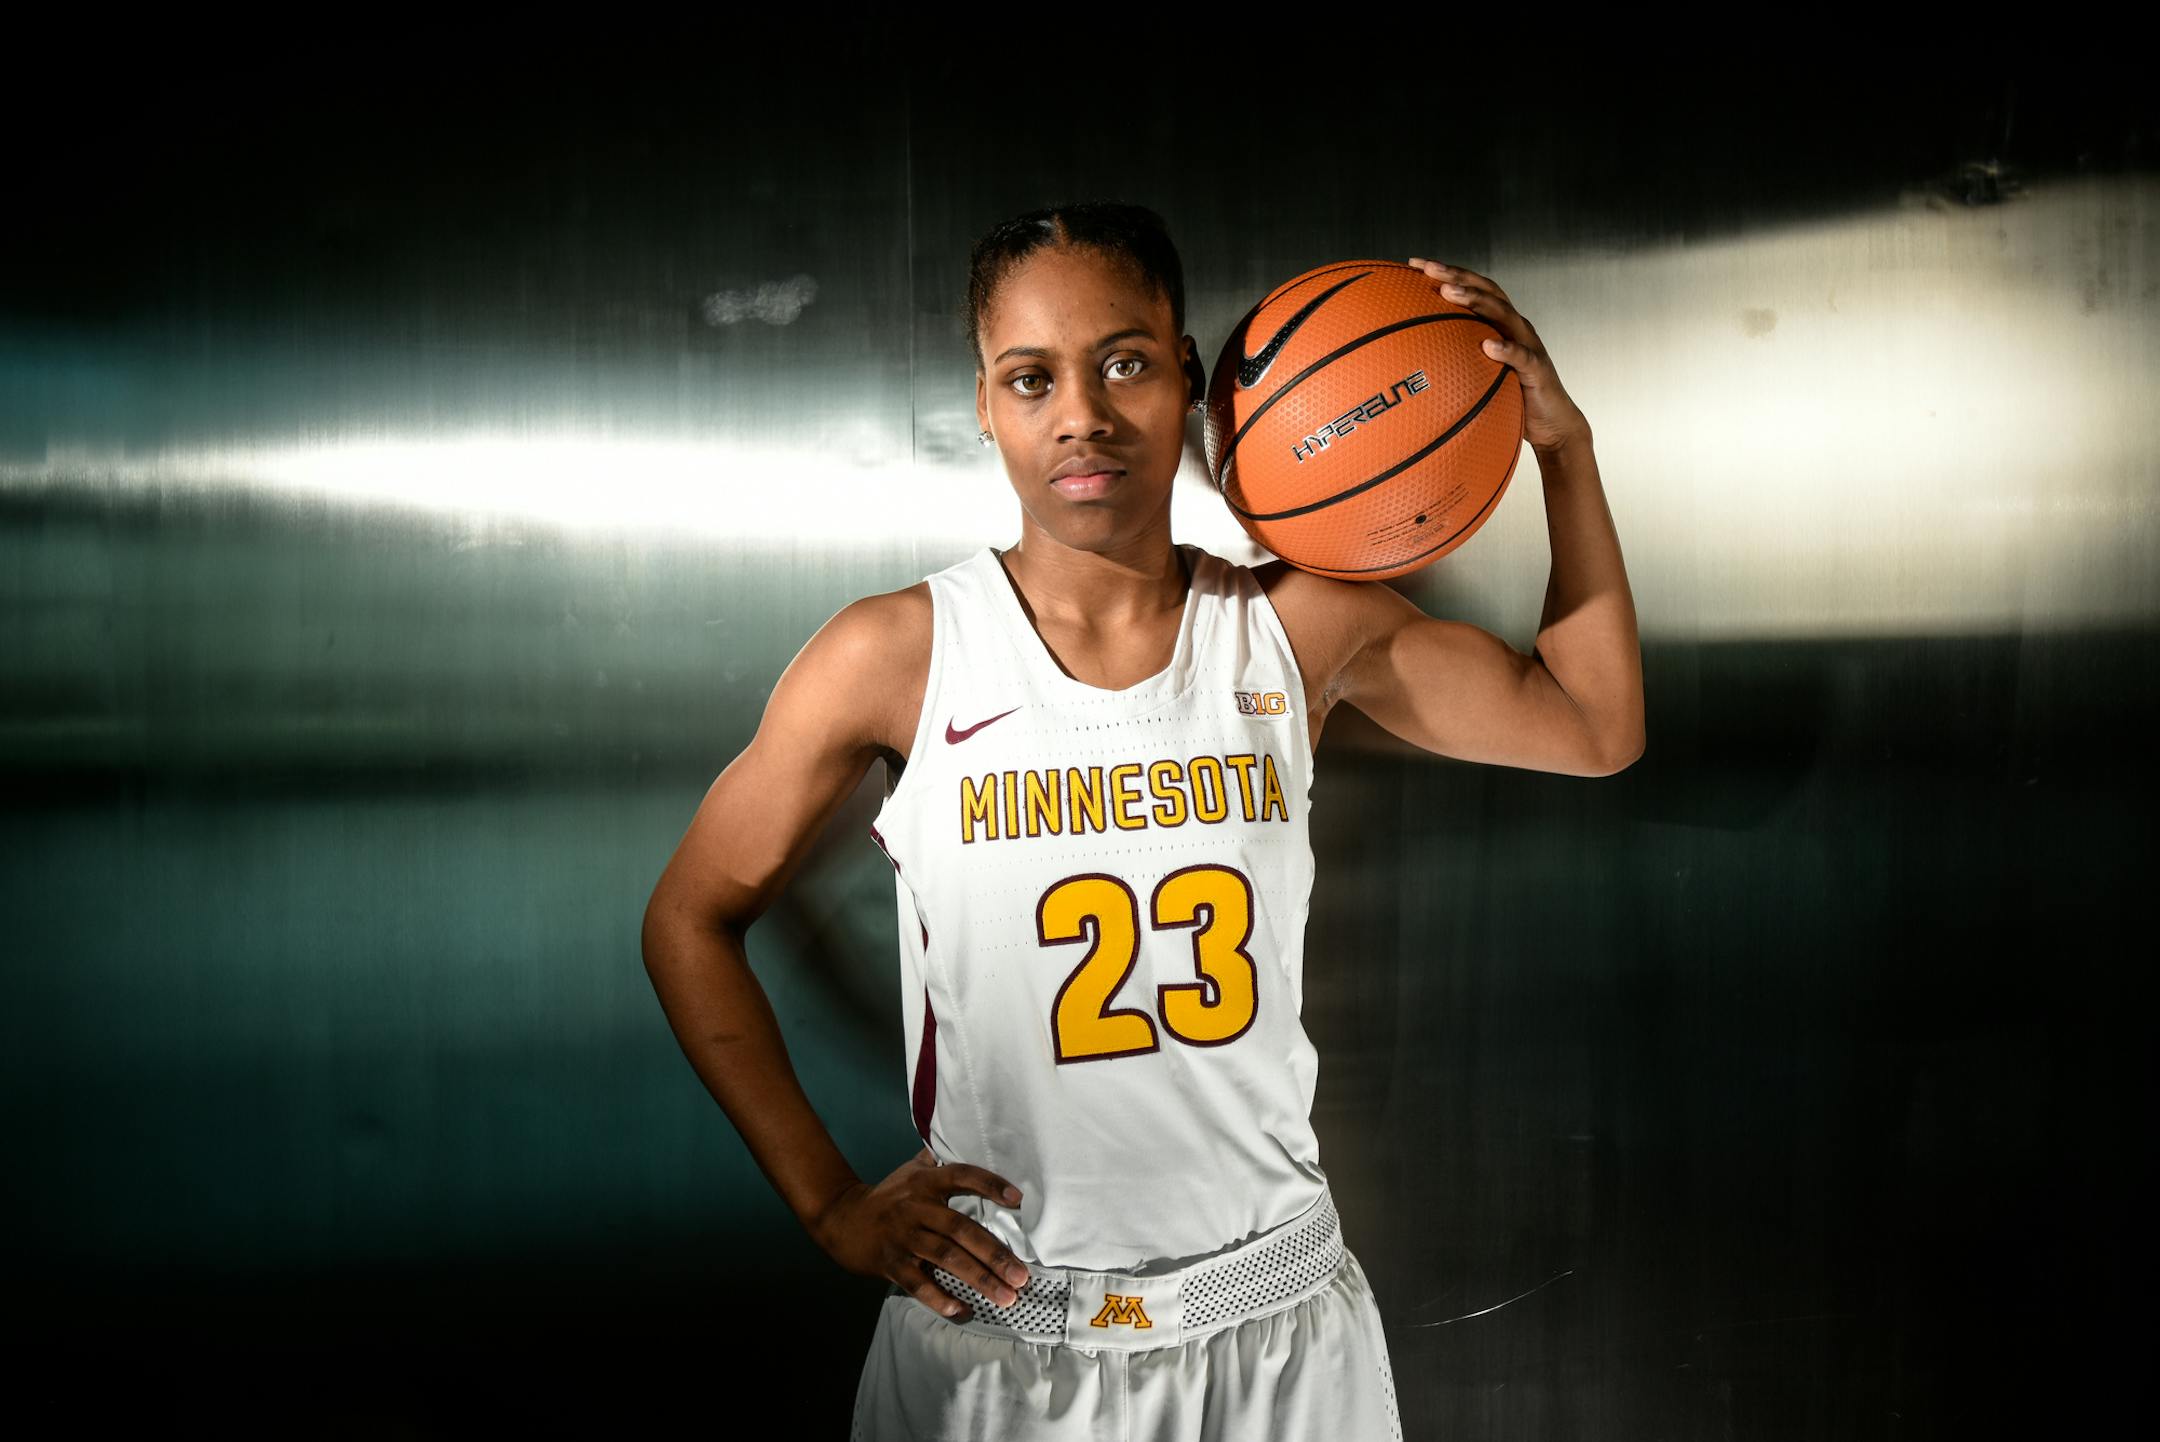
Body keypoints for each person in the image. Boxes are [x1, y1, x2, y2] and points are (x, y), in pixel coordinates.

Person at [641, 201, 1643, 1440]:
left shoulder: (1300, 625)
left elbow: (1595, 728)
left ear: (1189, 380)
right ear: (984, 405)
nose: (1083, 414)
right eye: (1031, 376)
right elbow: (690, 915)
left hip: (1278, 1330)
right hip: (1006, 1339)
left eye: (1123, 361)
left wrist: (1562, 449)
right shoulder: (896, 654)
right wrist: (828, 1201)